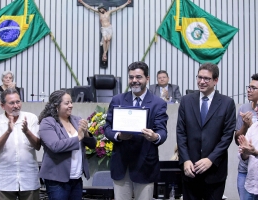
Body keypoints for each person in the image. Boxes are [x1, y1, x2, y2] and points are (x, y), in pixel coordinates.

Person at [104, 61, 168, 200]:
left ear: (147, 78)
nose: (134, 81)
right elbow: (107, 128)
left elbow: (162, 131)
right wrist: (118, 136)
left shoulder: (158, 103)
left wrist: (154, 136)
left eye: (138, 77)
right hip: (121, 165)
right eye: (131, 77)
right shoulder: (117, 100)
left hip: (145, 165)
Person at [176, 63, 236, 200]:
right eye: (199, 77)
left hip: (214, 171)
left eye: (206, 79)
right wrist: (185, 160)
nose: (201, 82)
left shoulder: (227, 103)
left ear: (216, 80)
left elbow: (227, 136)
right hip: (190, 170)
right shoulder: (186, 101)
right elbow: (181, 133)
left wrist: (211, 159)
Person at [38, 90, 96, 200]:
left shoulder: (76, 120)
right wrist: (78, 137)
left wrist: (86, 133)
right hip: (57, 180)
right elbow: (55, 146)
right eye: (67, 103)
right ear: (56, 106)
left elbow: (93, 145)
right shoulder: (47, 122)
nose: (71, 105)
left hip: (76, 178)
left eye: (71, 102)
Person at [0, 88, 41, 200]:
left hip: (29, 178)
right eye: (11, 103)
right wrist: (8, 131)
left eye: (18, 102)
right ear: (2, 106)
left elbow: (37, 146)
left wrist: (27, 131)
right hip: (5, 179)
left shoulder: (31, 118)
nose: (16, 106)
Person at [234, 73, 258, 200]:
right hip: (245, 169)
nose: (249, 90)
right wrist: (245, 125)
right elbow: (237, 140)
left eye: (253, 88)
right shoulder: (244, 108)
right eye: (248, 87)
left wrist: (253, 125)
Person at [238, 121, 258, 199]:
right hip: (250, 186)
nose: (256, 109)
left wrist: (255, 153)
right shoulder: (253, 127)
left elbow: (254, 152)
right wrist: (245, 152)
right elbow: (242, 156)